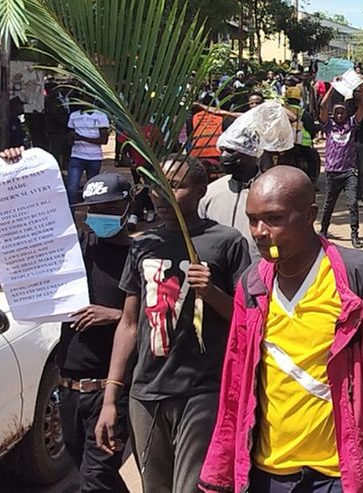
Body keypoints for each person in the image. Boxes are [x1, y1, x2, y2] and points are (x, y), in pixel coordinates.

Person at [198, 166, 363, 492]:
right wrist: (221, 470)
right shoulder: (252, 286)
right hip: (268, 476)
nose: (259, 231)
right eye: (252, 219)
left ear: (310, 214)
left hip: (339, 476)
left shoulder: (359, 277)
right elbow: (235, 385)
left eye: (274, 219)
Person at [96, 156, 252, 493]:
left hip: (201, 391)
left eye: (175, 187)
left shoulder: (226, 242)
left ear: (200, 190)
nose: (161, 196)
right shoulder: (143, 244)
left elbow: (248, 321)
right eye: (156, 186)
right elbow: (129, 324)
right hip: (147, 393)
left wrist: (211, 292)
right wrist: (111, 399)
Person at [48, 166, 134, 493]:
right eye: (94, 210)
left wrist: (113, 315)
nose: (100, 216)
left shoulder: (139, 256)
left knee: (95, 481)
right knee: (96, 475)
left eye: (110, 209)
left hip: (108, 390)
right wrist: (15, 167)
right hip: (68, 388)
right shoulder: (76, 251)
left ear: (129, 207)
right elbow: (38, 219)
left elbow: (153, 316)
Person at [199, 126, 264, 265]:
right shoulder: (210, 192)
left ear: (251, 153)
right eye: (222, 150)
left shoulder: (269, 191)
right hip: (216, 274)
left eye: (230, 151)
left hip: (258, 272)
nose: (223, 156)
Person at [318, 86, 363, 247]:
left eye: (342, 112)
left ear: (347, 113)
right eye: (337, 112)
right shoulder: (329, 125)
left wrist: (360, 86)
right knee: (329, 204)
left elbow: (362, 106)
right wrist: (333, 87)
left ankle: (354, 234)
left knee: (352, 203)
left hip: (349, 172)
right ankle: (323, 231)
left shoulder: (352, 124)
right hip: (333, 171)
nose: (340, 115)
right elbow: (323, 106)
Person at [67, 105, 112, 204]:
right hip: (76, 156)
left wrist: (81, 138)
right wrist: (71, 139)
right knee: (72, 188)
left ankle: (91, 212)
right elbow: (70, 135)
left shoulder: (101, 116)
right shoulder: (73, 116)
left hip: (94, 157)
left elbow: (103, 140)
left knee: (93, 189)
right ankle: (71, 215)